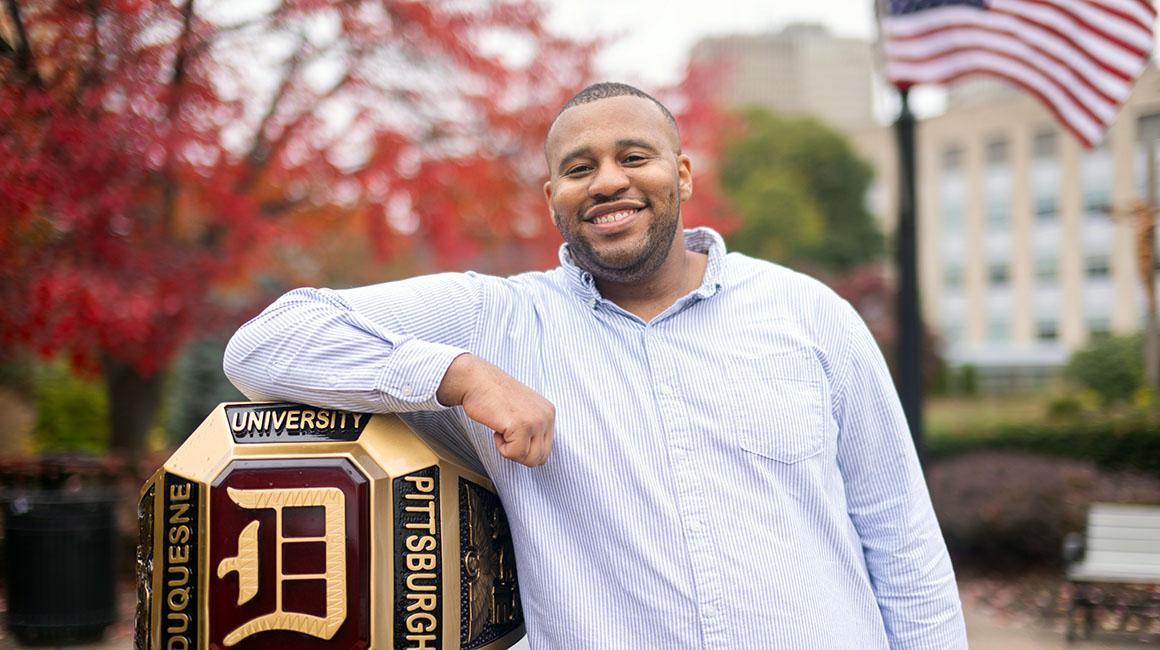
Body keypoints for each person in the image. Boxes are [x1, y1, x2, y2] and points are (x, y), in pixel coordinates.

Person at [224, 82, 967, 649]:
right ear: (553, 200)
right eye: (580, 168)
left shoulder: (809, 314)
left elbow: (900, 539)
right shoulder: (499, 321)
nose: (608, 181)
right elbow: (265, 344)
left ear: (680, 172)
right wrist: (464, 375)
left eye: (633, 158)